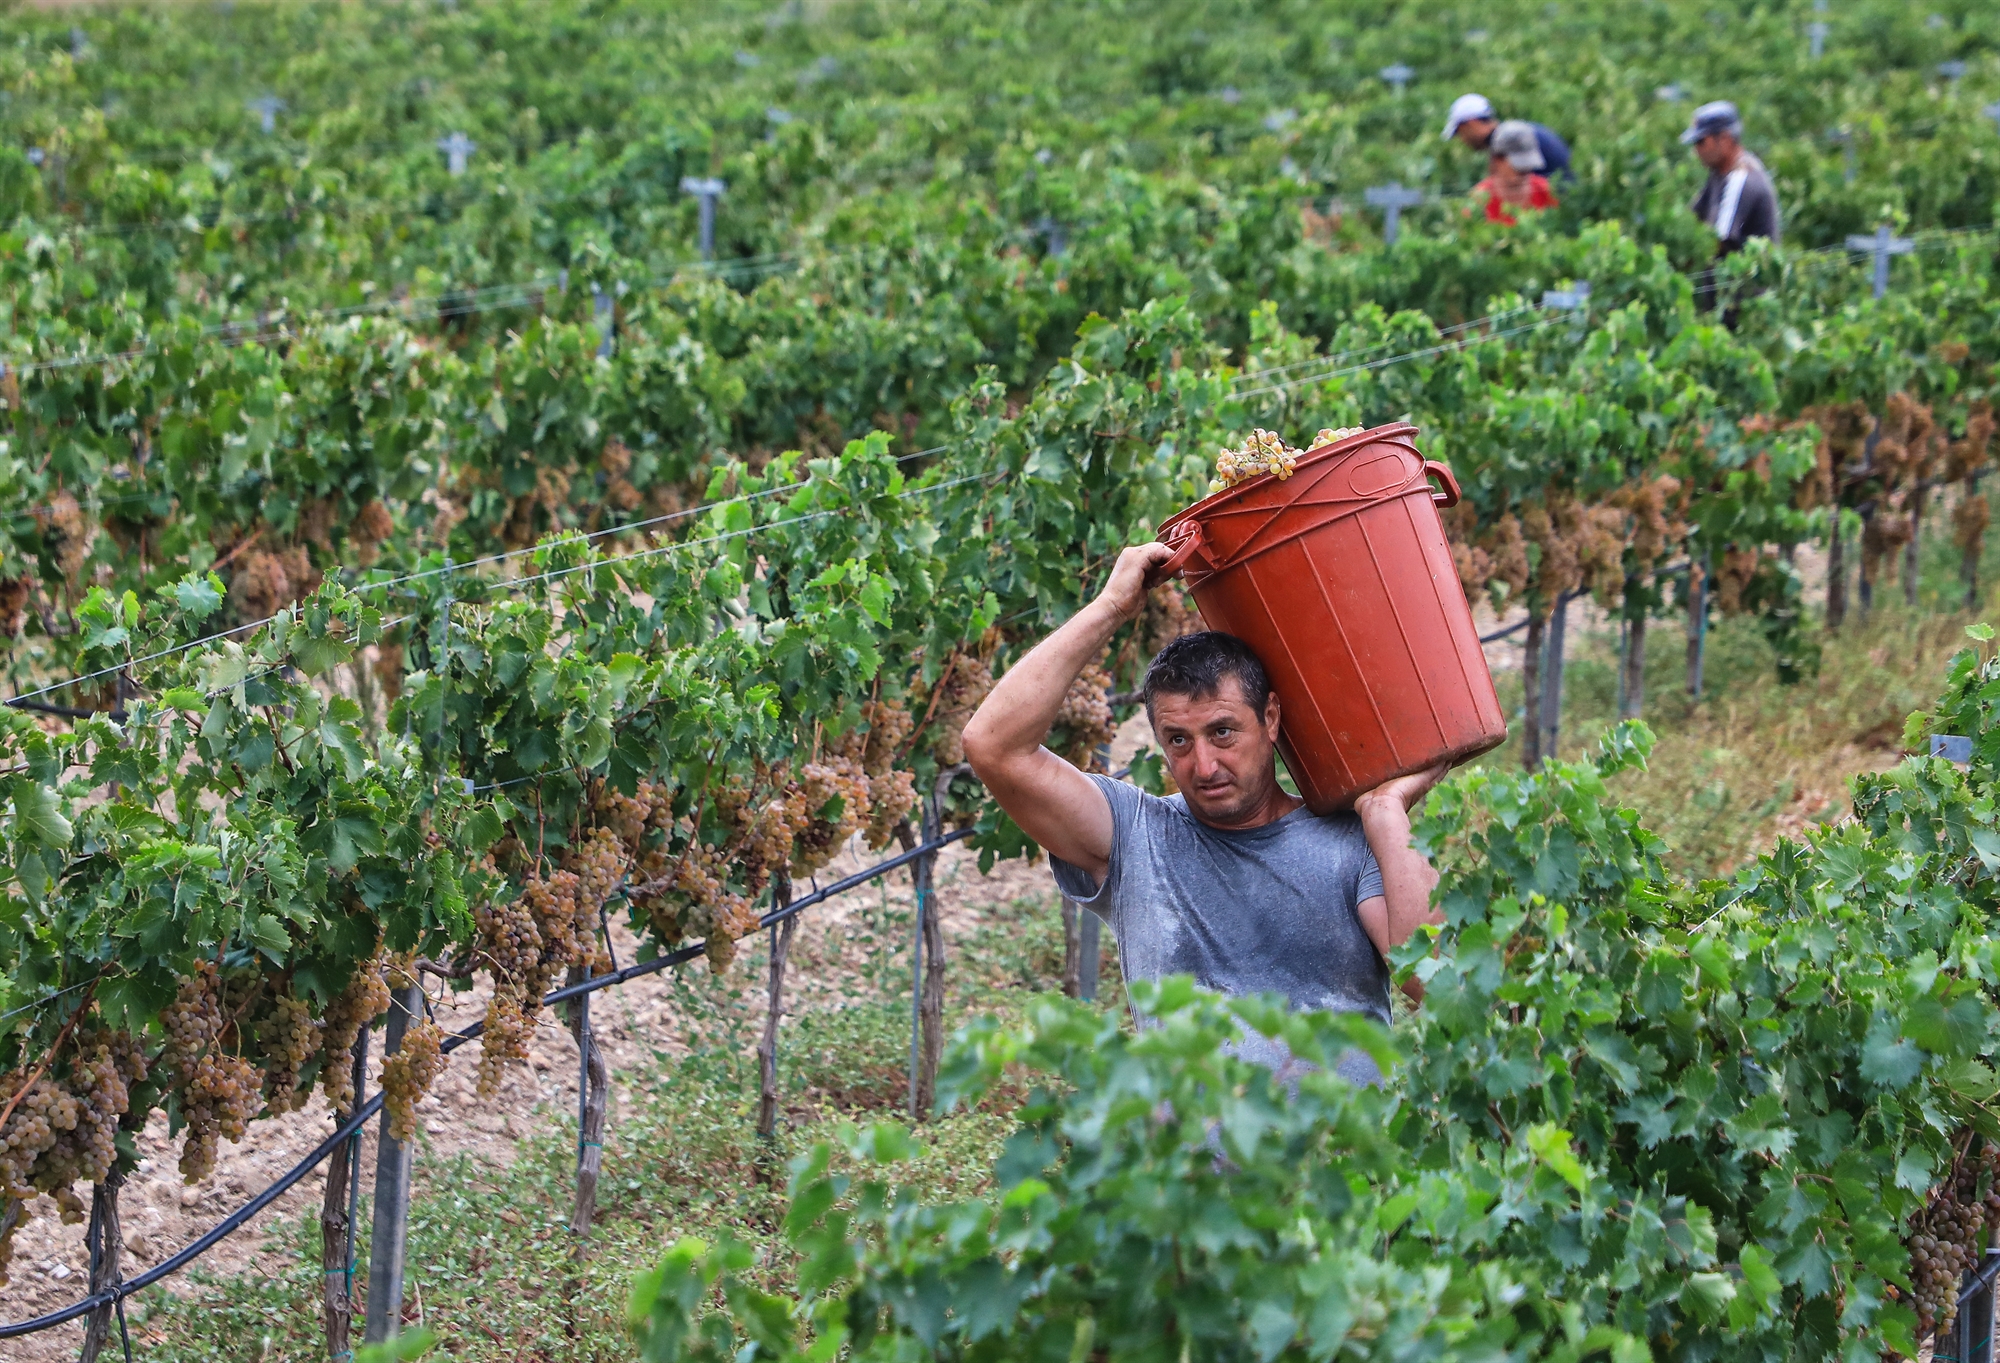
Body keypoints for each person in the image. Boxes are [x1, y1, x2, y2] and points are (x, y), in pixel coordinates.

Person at [960, 542, 1446, 1085]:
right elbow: (992, 745)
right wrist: (1111, 608)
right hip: (1189, 1171)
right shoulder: (1134, 837)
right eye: (1178, 741)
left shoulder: (1348, 840)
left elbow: (1436, 986)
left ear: (1270, 718)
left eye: (1222, 732)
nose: (1204, 764)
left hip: (1343, 1165)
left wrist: (1385, 811)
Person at [1682, 100, 1781, 255]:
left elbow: (1720, 242)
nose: (1696, 150)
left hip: (1742, 278)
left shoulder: (1740, 178)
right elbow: (1691, 219)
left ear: (1724, 139)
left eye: (1701, 142)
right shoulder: (1718, 173)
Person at [1443, 92, 1572, 180]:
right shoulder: (1514, 133)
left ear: (1471, 124)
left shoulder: (1509, 142)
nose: (1463, 140)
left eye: (1460, 133)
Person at [1471, 120, 1559, 226]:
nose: (1525, 170)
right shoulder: (1480, 199)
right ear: (1498, 160)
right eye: (1518, 165)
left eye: (1527, 162)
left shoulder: (1545, 190)